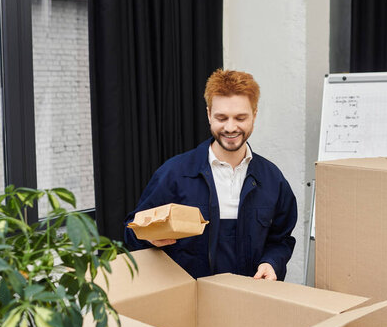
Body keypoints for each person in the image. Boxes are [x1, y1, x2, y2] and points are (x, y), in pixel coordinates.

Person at [124, 69, 297, 281]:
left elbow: (281, 239)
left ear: (255, 114)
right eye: (221, 118)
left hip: (251, 299)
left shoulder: (273, 179)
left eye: (240, 117)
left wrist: (272, 263)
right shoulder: (174, 174)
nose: (231, 127)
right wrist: (151, 238)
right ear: (208, 115)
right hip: (188, 300)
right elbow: (132, 231)